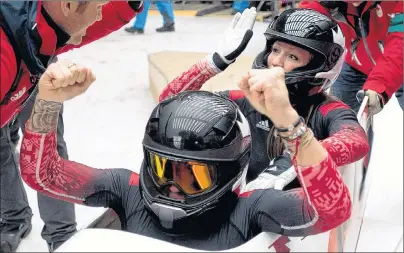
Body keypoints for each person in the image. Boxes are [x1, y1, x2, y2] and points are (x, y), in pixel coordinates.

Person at [20, 58, 352, 250]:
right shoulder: (127, 188)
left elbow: (334, 210)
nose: (173, 187)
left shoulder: (253, 207)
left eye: (195, 176)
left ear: (228, 175)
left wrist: (288, 123)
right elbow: (43, 174)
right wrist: (47, 101)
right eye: (163, 169)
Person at [159, 7, 370, 188]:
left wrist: (296, 159)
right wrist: (214, 63)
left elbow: (356, 141)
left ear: (319, 67)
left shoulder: (327, 110)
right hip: (246, 211)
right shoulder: (245, 100)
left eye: (292, 56)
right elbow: (169, 103)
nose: (276, 62)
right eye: (276, 49)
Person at [0, 1, 143, 252]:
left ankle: (60, 232)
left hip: (29, 55)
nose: (101, 12)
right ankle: (15, 219)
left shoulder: (42, 26)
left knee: (48, 145)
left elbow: (78, 19)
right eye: (100, 5)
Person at [298, 1, 403, 114]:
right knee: (340, 118)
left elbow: (399, 46)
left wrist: (379, 84)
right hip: (355, 65)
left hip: (397, 62)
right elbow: (307, 18)